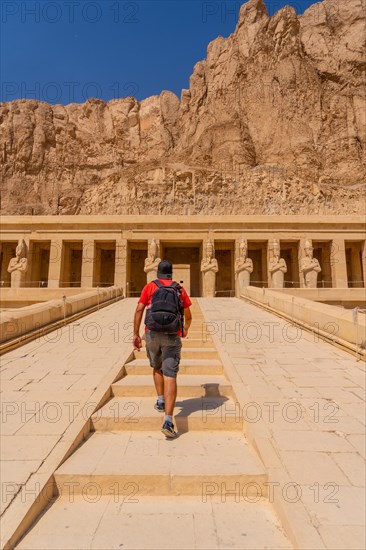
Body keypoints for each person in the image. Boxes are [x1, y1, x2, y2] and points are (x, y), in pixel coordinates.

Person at [133, 260, 192, 438]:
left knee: (156, 366)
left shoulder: (150, 287)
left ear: (157, 273)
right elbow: (188, 315)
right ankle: (168, 419)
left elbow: (139, 309)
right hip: (172, 335)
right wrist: (185, 329)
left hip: (151, 333)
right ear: (171, 274)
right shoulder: (179, 289)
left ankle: (160, 400)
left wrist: (136, 334)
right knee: (170, 375)